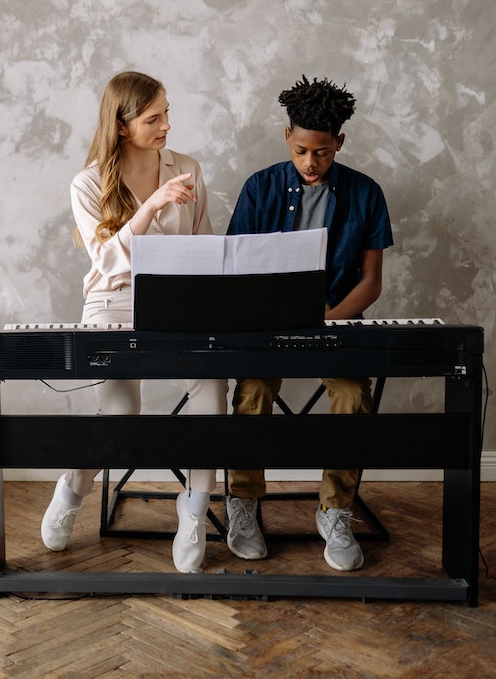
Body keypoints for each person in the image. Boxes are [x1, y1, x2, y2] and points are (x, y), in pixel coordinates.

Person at [40, 70, 228, 574]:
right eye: (153, 117)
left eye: (167, 111)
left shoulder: (187, 167)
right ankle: (74, 485)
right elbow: (105, 260)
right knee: (121, 419)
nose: (167, 124)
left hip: (182, 302)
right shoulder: (88, 182)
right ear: (122, 125)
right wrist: (152, 204)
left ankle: (193, 508)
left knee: (213, 392)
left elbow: (205, 245)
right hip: (113, 300)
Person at [223, 75, 394, 572]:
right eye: (301, 151)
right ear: (287, 138)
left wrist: (328, 319)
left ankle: (335, 510)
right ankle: (244, 504)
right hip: (266, 325)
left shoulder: (366, 193)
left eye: (322, 152)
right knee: (252, 392)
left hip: (338, 324)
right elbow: (236, 266)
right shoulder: (261, 187)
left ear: (339, 142)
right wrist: (273, 314)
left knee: (353, 395)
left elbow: (371, 281)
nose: (311, 163)